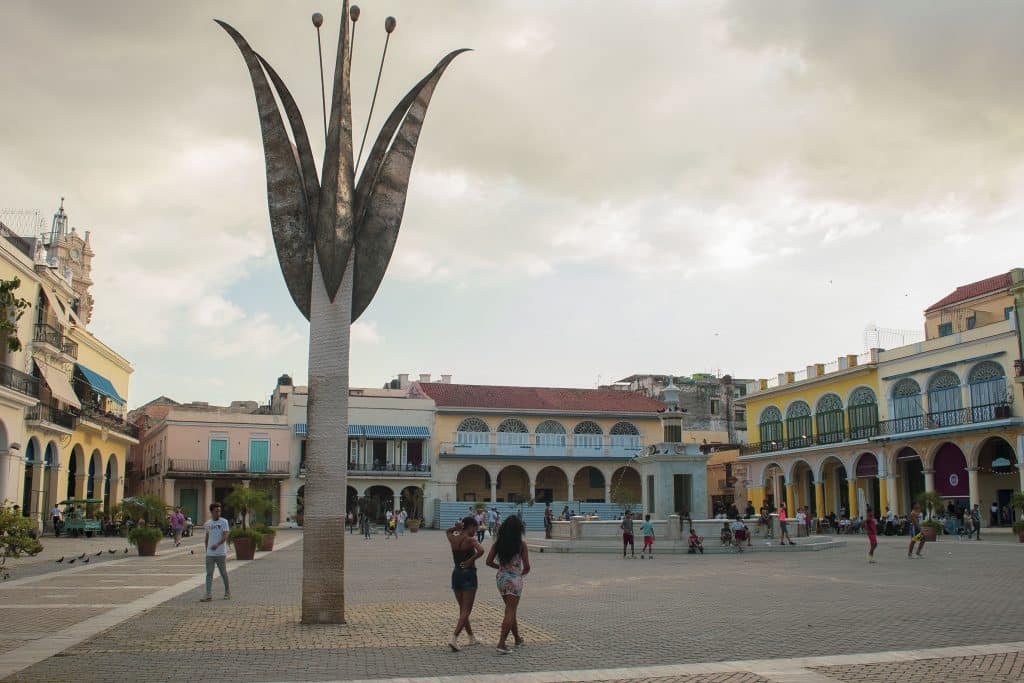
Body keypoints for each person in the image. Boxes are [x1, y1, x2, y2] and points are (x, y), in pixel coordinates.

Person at [486, 515, 530, 654]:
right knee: (510, 611)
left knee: (509, 610)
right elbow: (527, 566)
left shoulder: (498, 544)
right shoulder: (521, 544)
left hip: (501, 579)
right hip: (515, 580)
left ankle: (517, 639)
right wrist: (519, 573)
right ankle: (501, 643)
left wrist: (501, 568)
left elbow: (488, 561)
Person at [446, 516, 484, 651]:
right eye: (475, 527)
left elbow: (447, 532)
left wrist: (456, 528)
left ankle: (471, 637)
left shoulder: (453, 538)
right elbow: (481, 550)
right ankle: (454, 638)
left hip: (456, 573)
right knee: (466, 610)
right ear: (470, 526)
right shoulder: (470, 539)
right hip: (469, 574)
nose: (476, 530)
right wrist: (471, 560)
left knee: (463, 609)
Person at [201, 502, 231, 602]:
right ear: (211, 512)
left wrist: (217, 544)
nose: (218, 512)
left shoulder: (224, 522)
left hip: (220, 553)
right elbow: (207, 538)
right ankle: (208, 594)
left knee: (223, 573)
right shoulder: (208, 524)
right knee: (209, 573)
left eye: (219, 511)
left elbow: (225, 535)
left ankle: (227, 592)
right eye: (216, 511)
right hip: (210, 554)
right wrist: (207, 550)